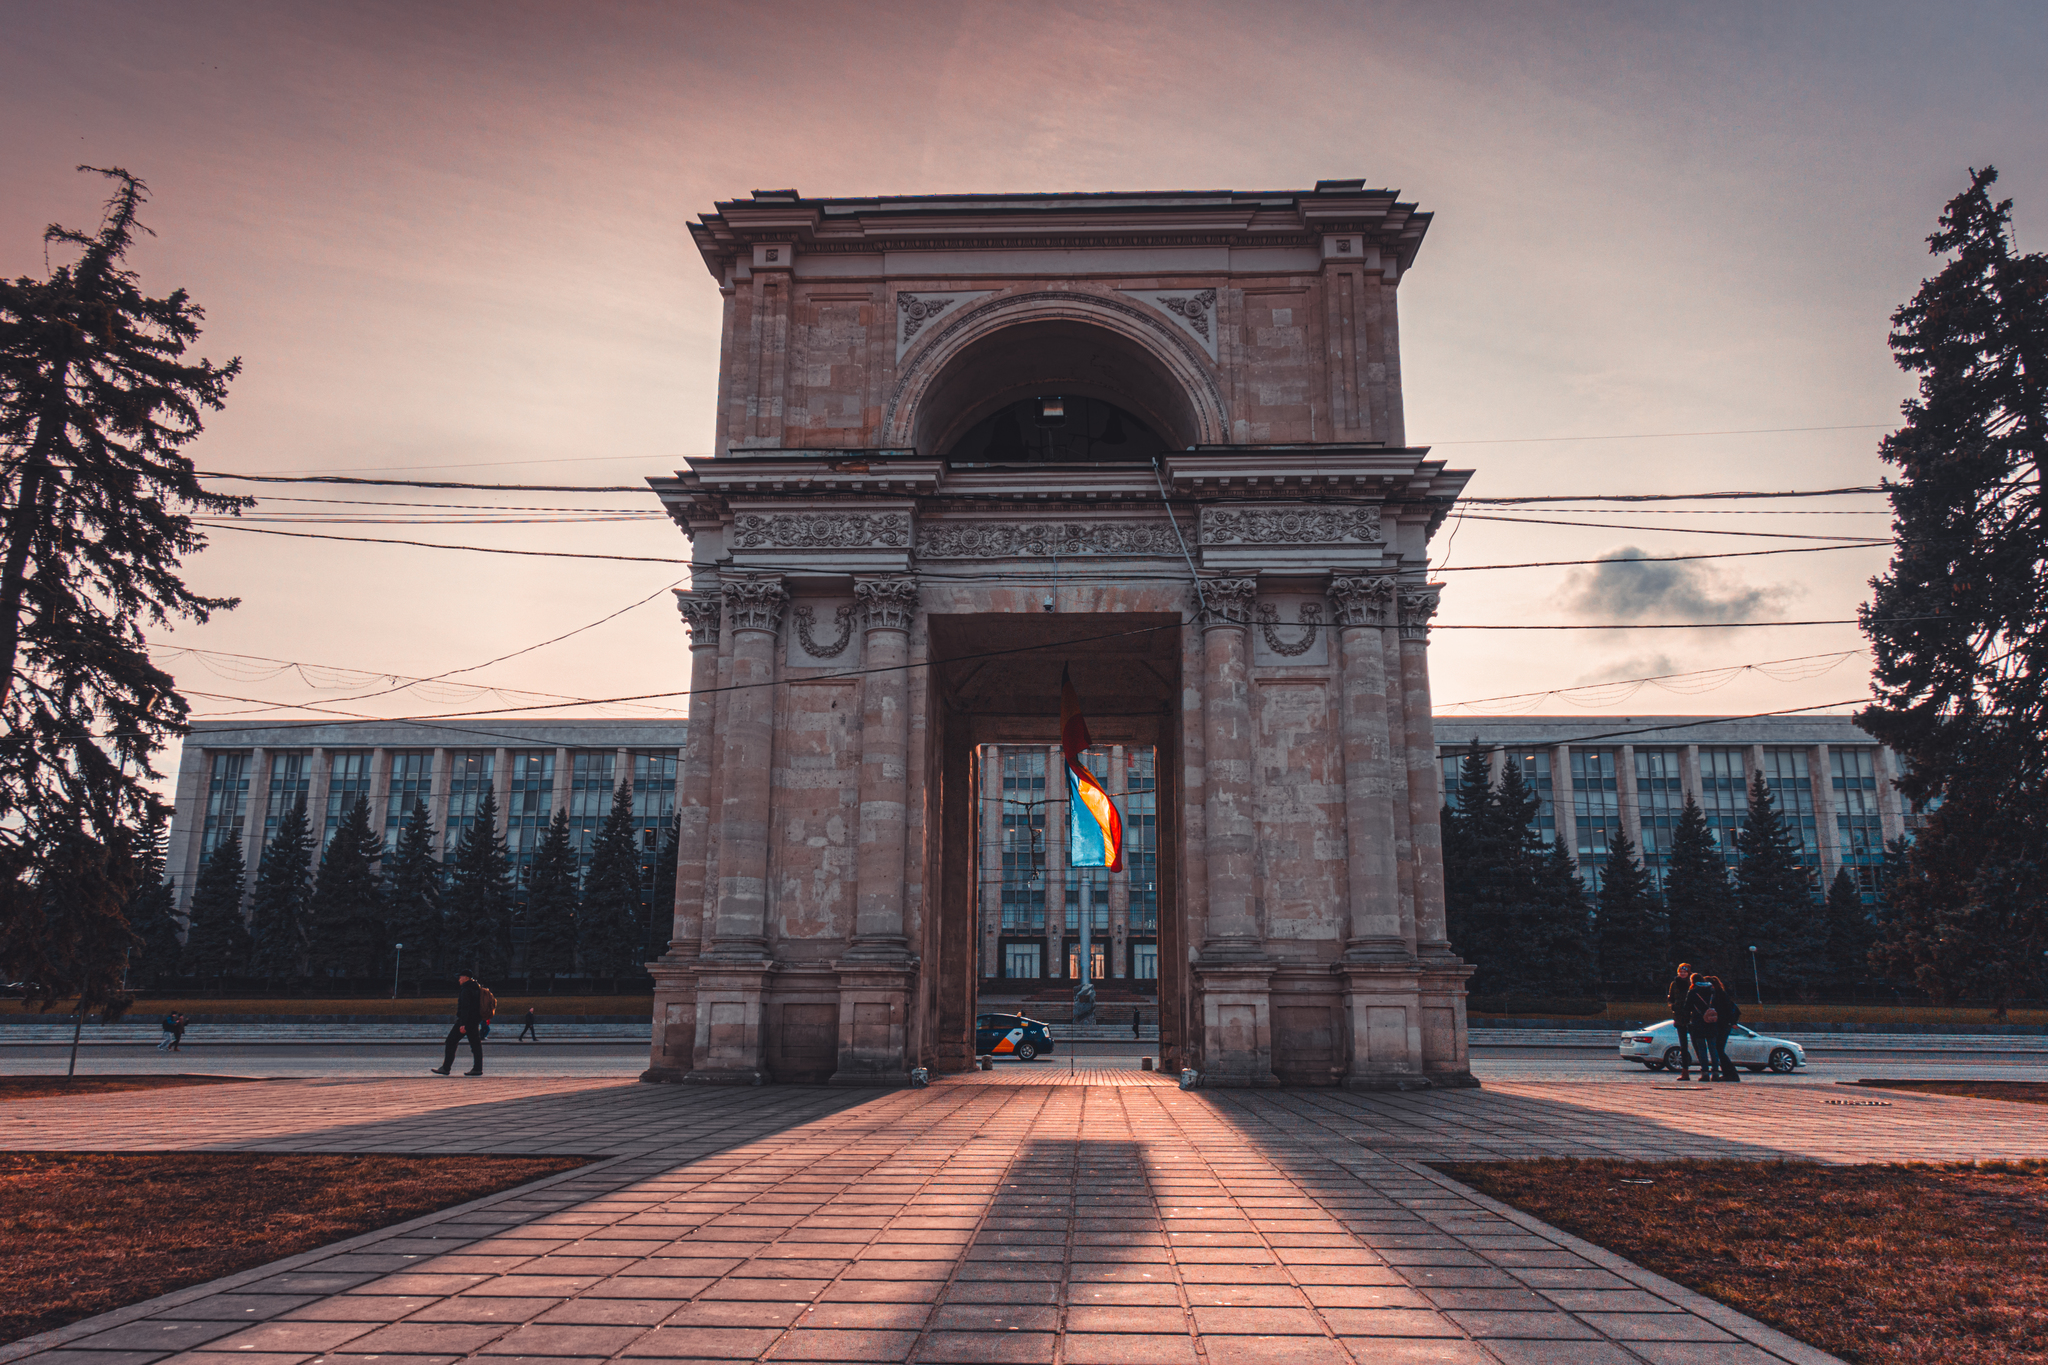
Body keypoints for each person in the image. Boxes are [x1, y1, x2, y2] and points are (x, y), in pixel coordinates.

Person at [431, 971, 487, 1076]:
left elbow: (465, 1007)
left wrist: (462, 1024)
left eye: (460, 977)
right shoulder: (478, 988)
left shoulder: (466, 989)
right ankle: (477, 1068)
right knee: (476, 1045)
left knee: (450, 1041)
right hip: (475, 1020)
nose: (459, 980)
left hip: (466, 1021)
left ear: (465, 977)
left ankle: (446, 1068)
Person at [1667, 963, 1699, 1080]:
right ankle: (1685, 1071)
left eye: (1685, 972)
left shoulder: (1692, 984)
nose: (1682, 974)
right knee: (1683, 1046)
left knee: (1697, 1043)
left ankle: (1704, 1070)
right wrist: (1673, 1006)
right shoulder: (1674, 984)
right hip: (1680, 1017)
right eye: (1681, 972)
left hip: (1691, 1017)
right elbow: (1670, 998)